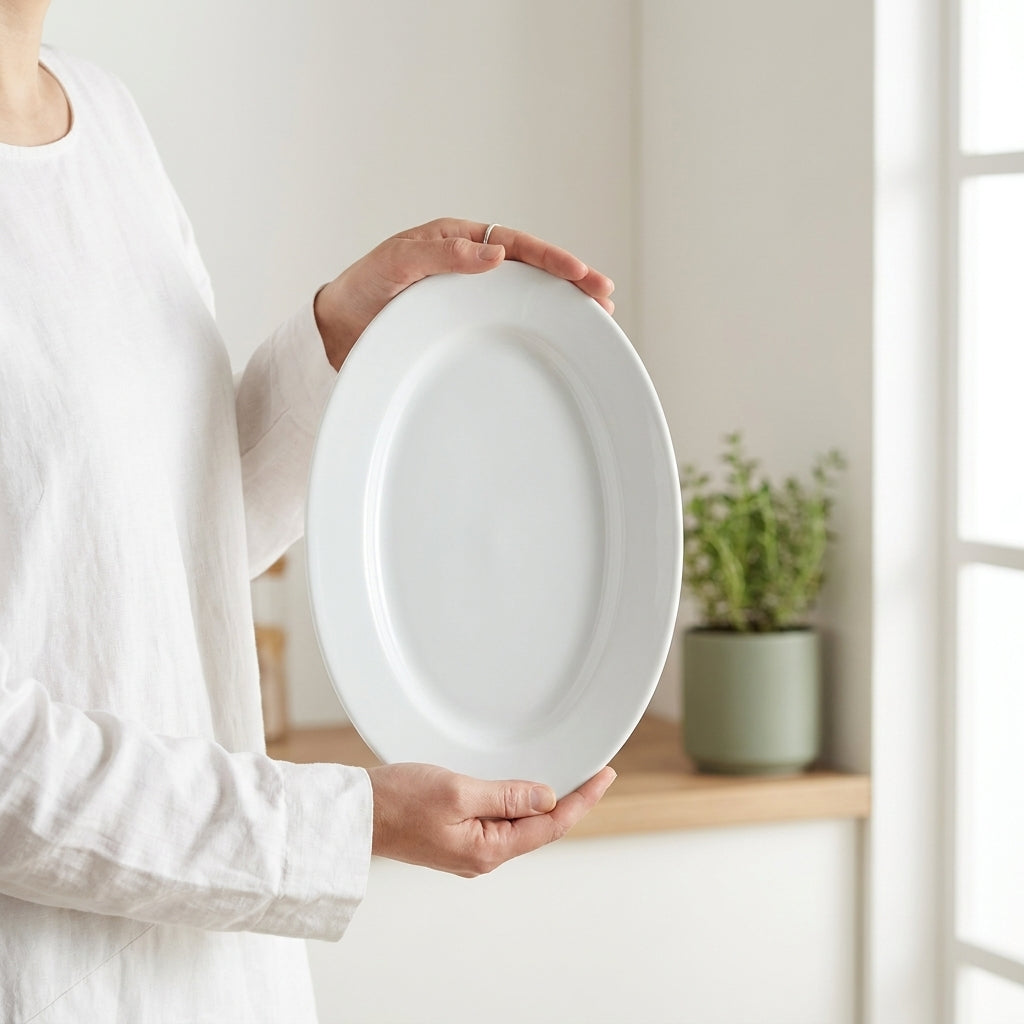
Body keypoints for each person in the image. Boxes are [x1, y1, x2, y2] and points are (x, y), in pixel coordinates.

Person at [0, 2, 618, 1021]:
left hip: (224, 980)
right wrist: (341, 824)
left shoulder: (105, 120)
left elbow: (167, 549)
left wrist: (338, 335)